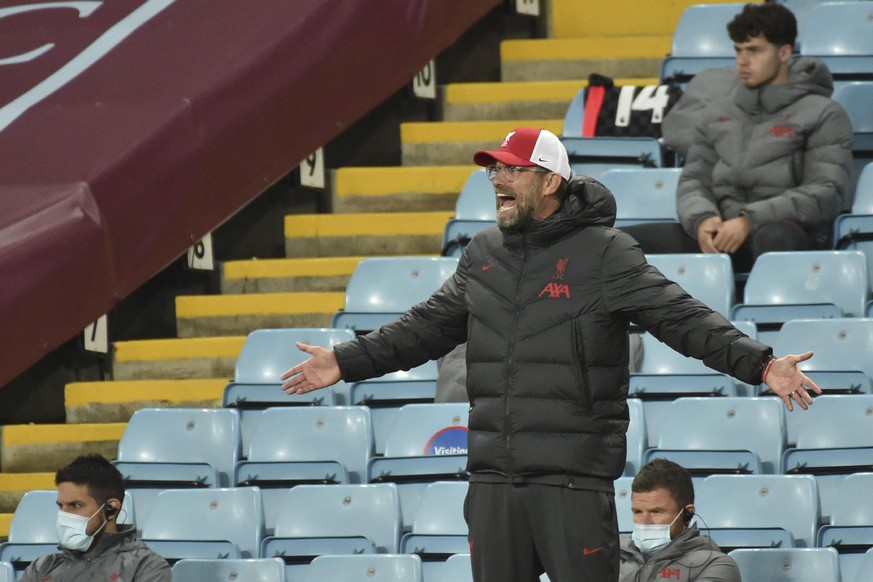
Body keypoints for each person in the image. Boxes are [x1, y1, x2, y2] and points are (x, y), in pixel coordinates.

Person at [280, 127, 820, 582]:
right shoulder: (483, 254)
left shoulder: (606, 253)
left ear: (551, 180)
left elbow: (681, 317)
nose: (498, 181)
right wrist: (346, 361)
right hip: (493, 481)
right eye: (494, 172)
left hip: (572, 481)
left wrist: (761, 363)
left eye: (512, 171)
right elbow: (423, 327)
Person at [623, 2, 853, 273]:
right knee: (617, 243)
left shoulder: (824, 113)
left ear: (784, 53)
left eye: (754, 51)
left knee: (775, 239)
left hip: (782, 232)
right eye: (738, 51)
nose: (743, 61)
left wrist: (748, 221)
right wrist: (703, 219)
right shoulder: (718, 113)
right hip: (721, 230)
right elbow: (694, 180)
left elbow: (825, 194)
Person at [21, 453, 171, 582]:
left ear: (110, 509)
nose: (64, 515)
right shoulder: (41, 568)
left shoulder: (145, 566)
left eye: (75, 505)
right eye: (61, 506)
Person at [620, 459, 740, 582]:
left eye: (656, 512)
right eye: (638, 512)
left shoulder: (716, 565)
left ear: (687, 514)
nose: (644, 522)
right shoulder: (612, 556)